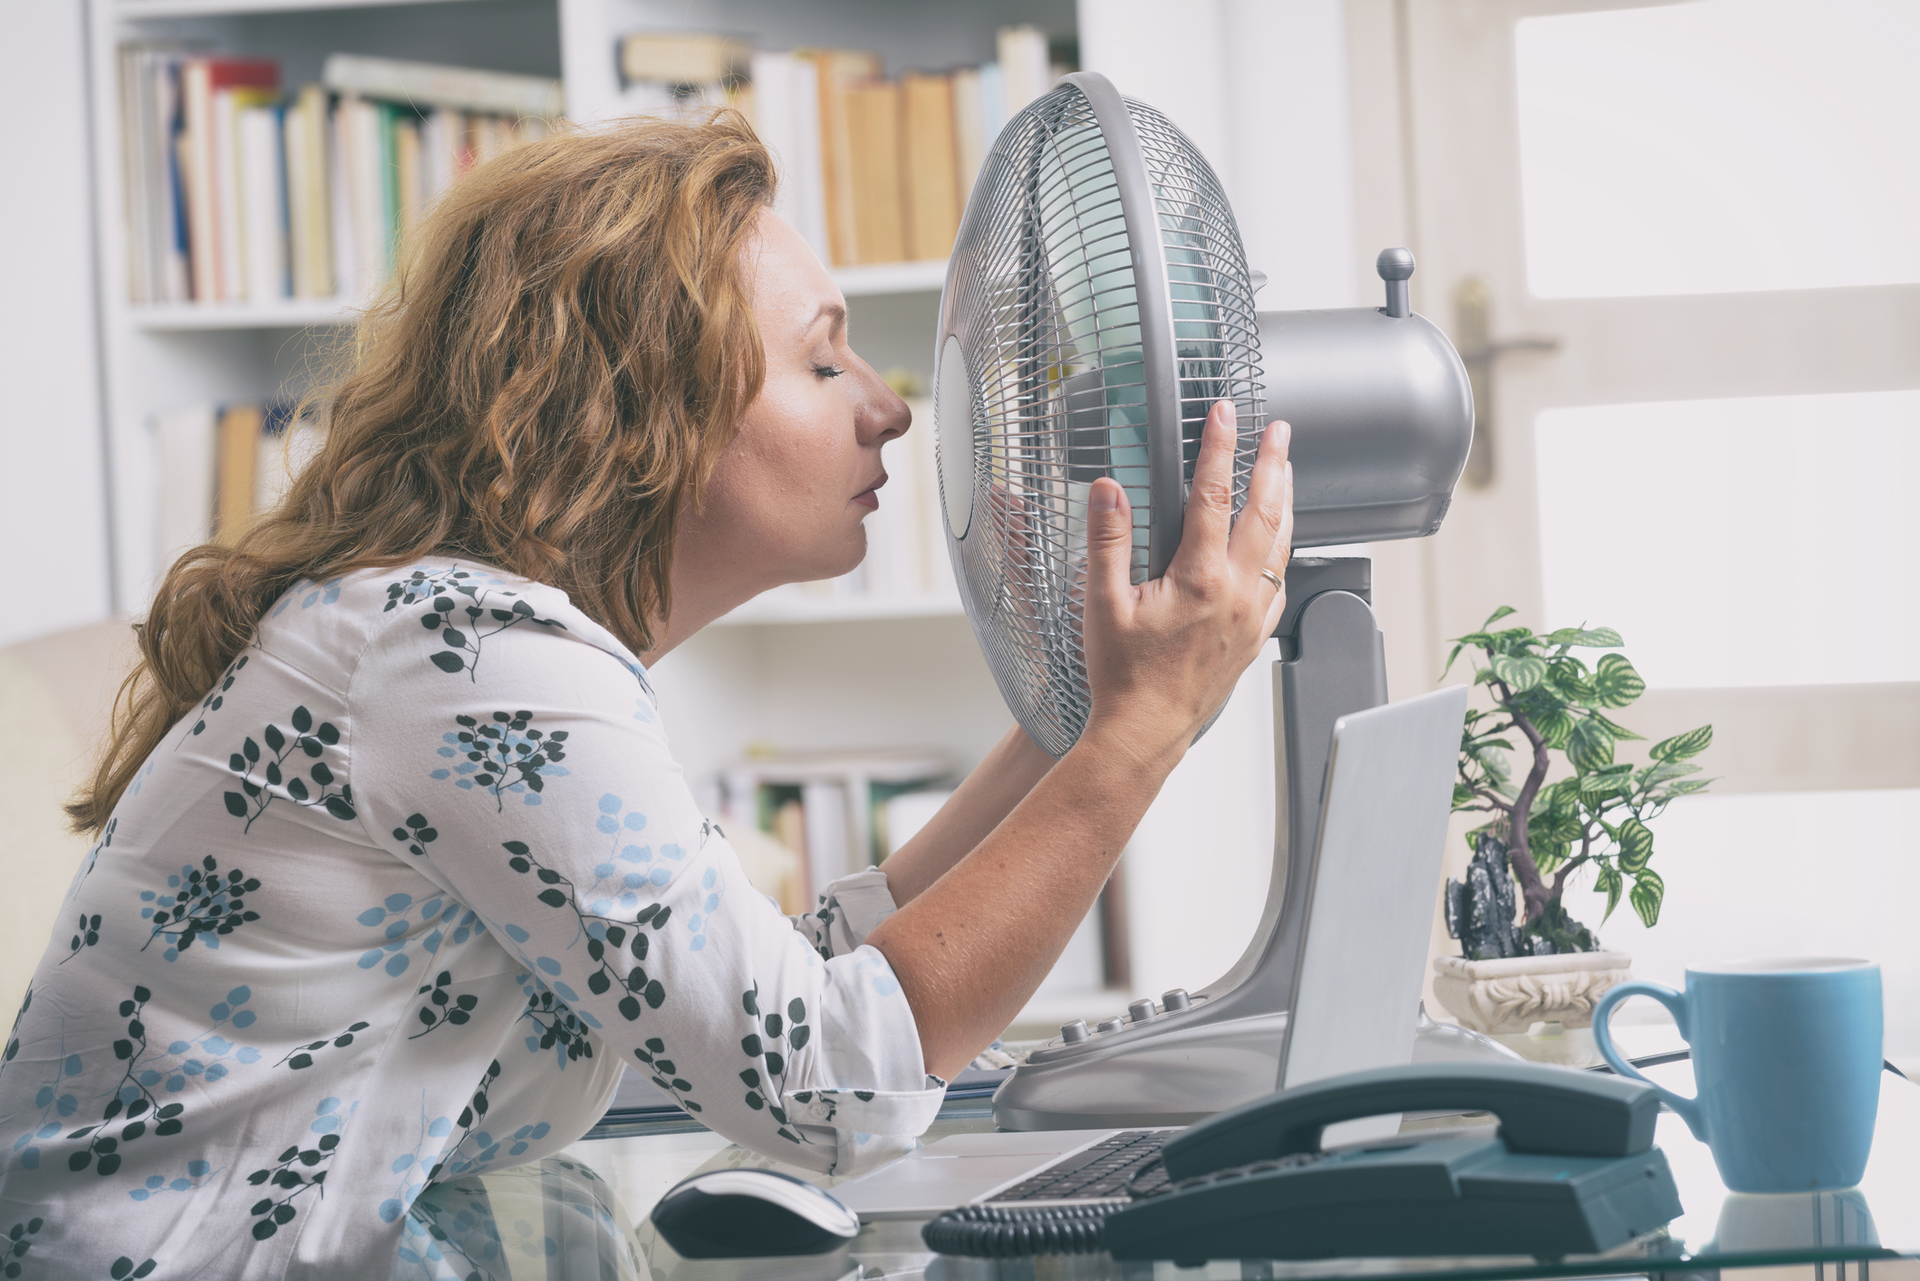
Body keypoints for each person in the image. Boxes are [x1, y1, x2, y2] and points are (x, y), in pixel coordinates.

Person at [0, 112, 1292, 1278]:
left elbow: (783, 992)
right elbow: (830, 1086)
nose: (891, 413)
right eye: (824, 364)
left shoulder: (460, 643)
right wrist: (1135, 735)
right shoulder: (470, 659)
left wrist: (1081, 705)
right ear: (644, 407)